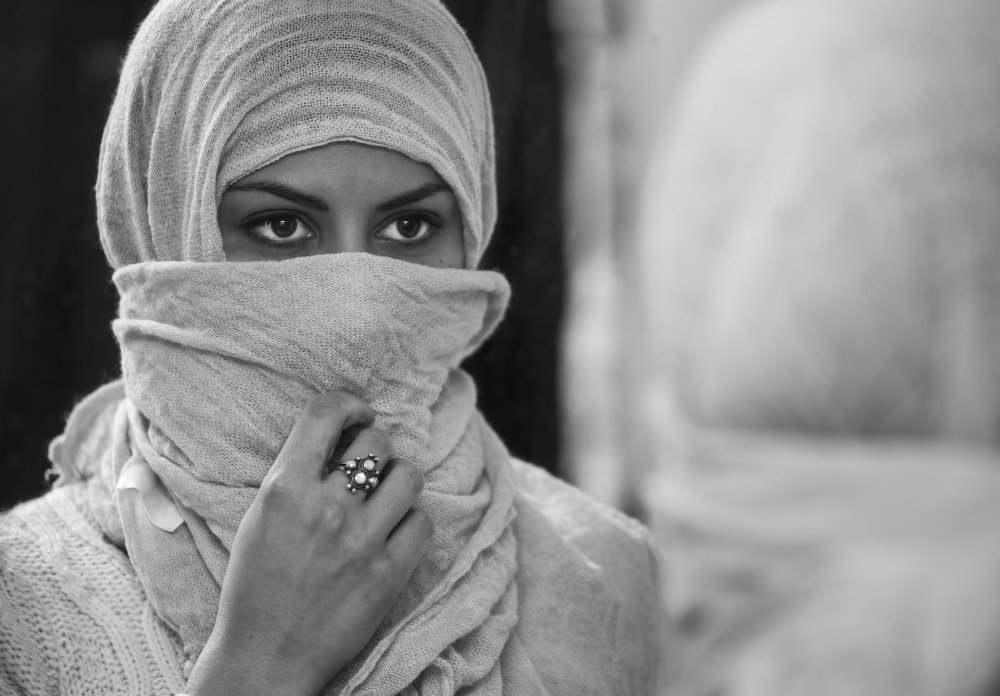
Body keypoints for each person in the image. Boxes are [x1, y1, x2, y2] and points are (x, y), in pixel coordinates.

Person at [0, 0, 663, 694]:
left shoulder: (605, 578)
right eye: (281, 226)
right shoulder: (23, 604)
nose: (357, 303)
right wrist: (262, 662)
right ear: (158, 228)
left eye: (409, 227)